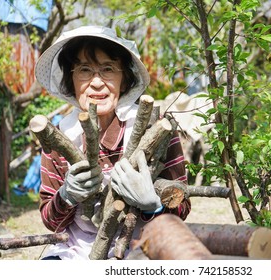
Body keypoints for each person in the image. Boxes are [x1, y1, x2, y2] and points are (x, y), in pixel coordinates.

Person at [34, 25, 191, 260]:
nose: (97, 83)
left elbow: (183, 207)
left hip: (144, 249)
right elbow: (49, 220)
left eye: (108, 69)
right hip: (76, 252)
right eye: (84, 70)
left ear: (124, 80)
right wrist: (66, 195)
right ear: (71, 80)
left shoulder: (157, 130)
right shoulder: (60, 137)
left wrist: (154, 204)